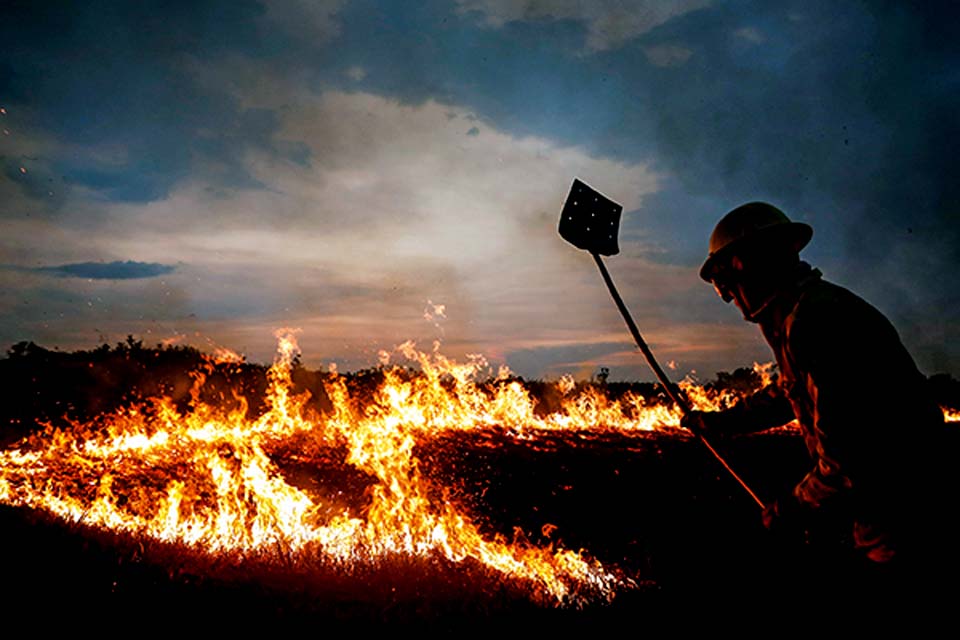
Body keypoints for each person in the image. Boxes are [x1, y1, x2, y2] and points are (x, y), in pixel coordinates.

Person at [681, 201, 955, 599]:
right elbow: (786, 392)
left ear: (746, 266)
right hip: (896, 516)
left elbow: (846, 463)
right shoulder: (805, 311)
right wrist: (721, 422)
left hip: (910, 526)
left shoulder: (815, 321)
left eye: (726, 281)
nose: (728, 298)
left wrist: (790, 510)